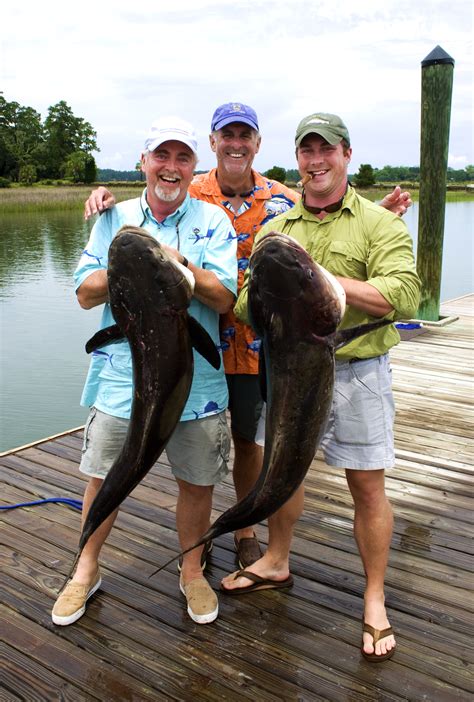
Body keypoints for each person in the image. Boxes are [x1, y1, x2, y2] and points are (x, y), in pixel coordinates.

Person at [84, 104, 413, 572]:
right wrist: (103, 197)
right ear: (214, 144)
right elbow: (153, 190)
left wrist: (351, 243)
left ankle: (247, 534)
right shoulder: (189, 189)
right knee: (257, 447)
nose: (236, 143)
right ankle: (258, 548)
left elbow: (343, 230)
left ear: (258, 144)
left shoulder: (280, 200)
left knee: (292, 459)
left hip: (283, 353)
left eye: (246, 135)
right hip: (230, 347)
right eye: (226, 135)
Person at [221, 113, 421, 663]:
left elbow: (404, 294)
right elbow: (244, 307)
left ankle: (375, 598)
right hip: (286, 371)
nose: (315, 161)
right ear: (298, 160)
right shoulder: (277, 229)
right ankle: (276, 560)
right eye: (306, 152)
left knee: (367, 486)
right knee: (280, 472)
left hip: (357, 371)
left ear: (346, 154)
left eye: (325, 150)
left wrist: (326, 284)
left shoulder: (380, 225)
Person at [52, 117, 237, 627]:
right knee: (100, 477)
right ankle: (86, 568)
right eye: (162, 156)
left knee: (197, 482)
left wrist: (180, 270)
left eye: (182, 158)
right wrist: (131, 268)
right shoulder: (113, 217)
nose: (170, 167)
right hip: (119, 382)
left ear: (194, 166)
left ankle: (193, 571)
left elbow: (224, 297)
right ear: (144, 162)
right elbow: (85, 294)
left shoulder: (214, 222)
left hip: (194, 385)